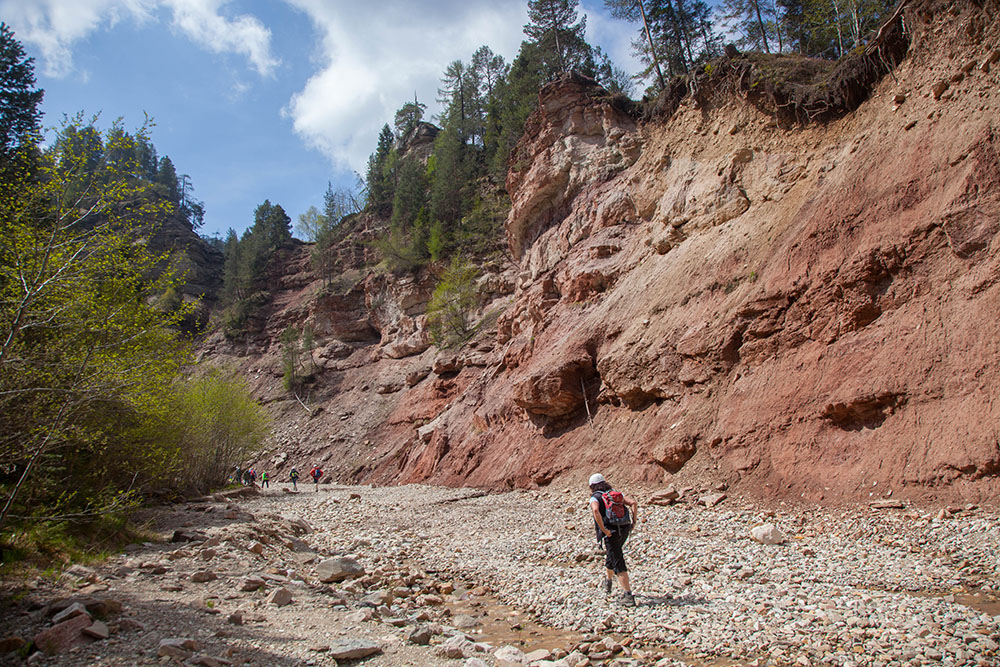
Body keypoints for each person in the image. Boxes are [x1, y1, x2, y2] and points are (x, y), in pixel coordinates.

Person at [588, 473, 639, 606]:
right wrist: (633, 521)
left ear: (592, 486)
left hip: (611, 531)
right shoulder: (615, 494)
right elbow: (633, 503)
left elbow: (595, 511)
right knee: (612, 554)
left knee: (617, 560)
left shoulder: (596, 497)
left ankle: (628, 596)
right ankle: (609, 582)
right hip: (625, 528)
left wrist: (604, 530)